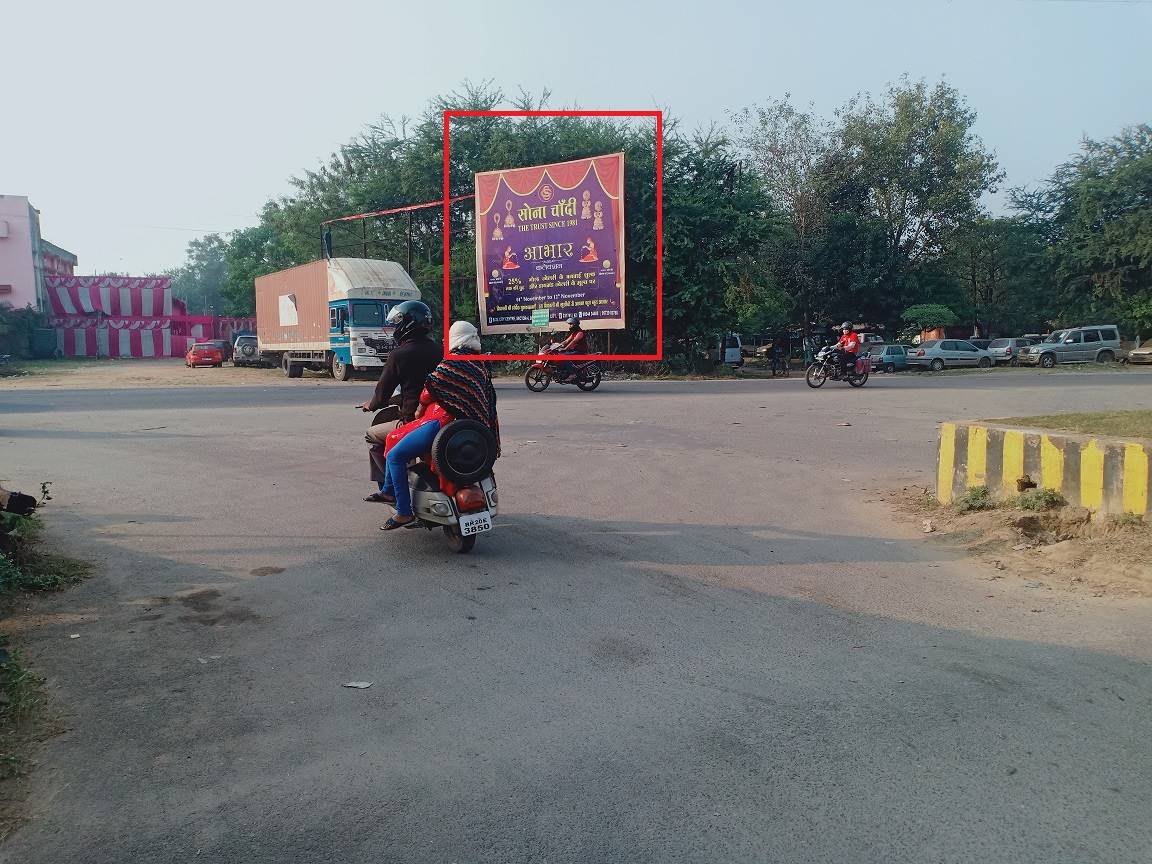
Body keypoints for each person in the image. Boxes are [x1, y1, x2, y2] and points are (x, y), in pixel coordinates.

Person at [379, 321, 500, 531]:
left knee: (394, 455)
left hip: (442, 422)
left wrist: (419, 409)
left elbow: (430, 387)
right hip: (473, 430)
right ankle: (390, 491)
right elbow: (486, 401)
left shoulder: (452, 363)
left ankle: (404, 512)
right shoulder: (481, 364)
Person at [360, 300, 442, 502]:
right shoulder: (440, 351)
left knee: (372, 435)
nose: (395, 328)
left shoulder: (399, 355)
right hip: (440, 417)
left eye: (397, 323)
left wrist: (371, 405)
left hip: (413, 420)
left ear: (406, 324)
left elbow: (382, 394)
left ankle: (390, 490)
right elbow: (422, 387)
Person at [553, 316, 588, 382]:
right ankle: (563, 372)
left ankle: (572, 374)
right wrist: (558, 345)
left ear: (575, 324)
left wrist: (565, 348)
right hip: (574, 350)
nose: (570, 326)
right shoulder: (574, 333)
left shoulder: (580, 333)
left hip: (579, 352)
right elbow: (566, 341)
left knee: (564, 357)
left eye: (571, 324)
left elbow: (573, 341)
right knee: (559, 355)